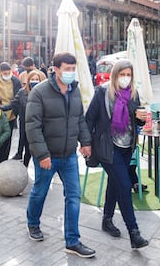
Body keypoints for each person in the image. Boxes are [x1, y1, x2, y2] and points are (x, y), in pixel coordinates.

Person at [25, 52, 95, 258]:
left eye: (73, 69)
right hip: (47, 156)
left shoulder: (75, 90)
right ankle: (33, 223)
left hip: (69, 156)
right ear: (55, 69)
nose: (70, 73)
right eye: (67, 69)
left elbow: (79, 119)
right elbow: (32, 127)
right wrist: (42, 154)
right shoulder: (39, 92)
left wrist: (86, 142)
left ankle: (72, 241)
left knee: (73, 196)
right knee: (40, 191)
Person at [85, 59, 149, 249]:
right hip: (107, 147)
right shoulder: (102, 92)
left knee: (115, 182)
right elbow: (89, 119)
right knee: (124, 184)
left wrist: (140, 120)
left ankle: (107, 219)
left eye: (128, 75)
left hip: (127, 146)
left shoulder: (133, 94)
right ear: (115, 75)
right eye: (122, 74)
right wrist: (86, 144)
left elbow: (136, 122)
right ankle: (134, 233)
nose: (125, 78)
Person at [10, 70, 46, 163]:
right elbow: (14, 103)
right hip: (25, 123)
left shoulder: (45, 93)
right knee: (27, 147)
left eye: (37, 79)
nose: (34, 81)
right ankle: (25, 164)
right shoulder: (22, 92)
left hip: (41, 125)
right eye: (32, 79)